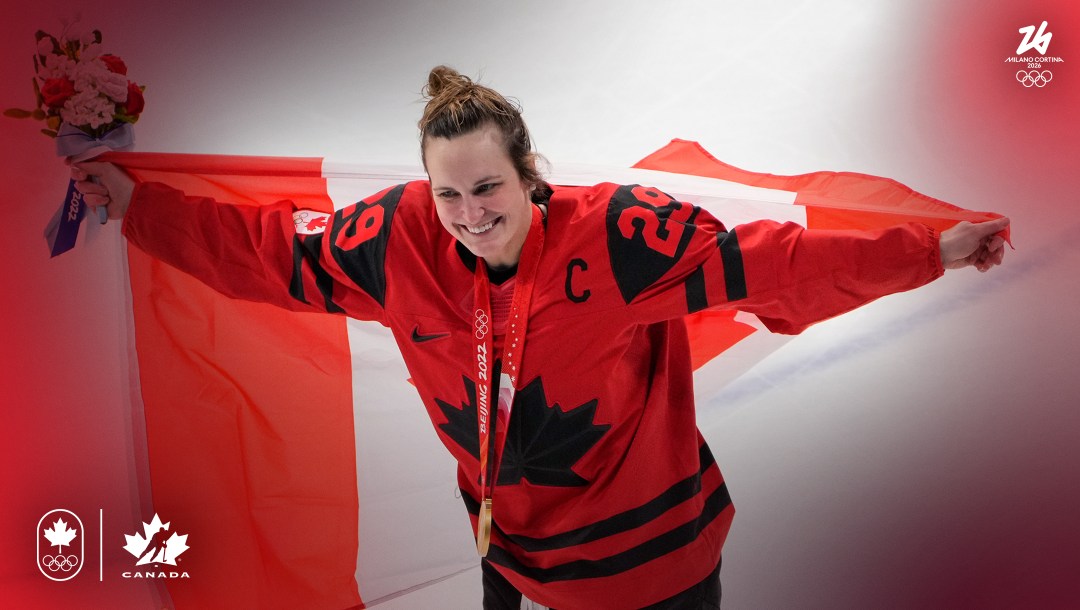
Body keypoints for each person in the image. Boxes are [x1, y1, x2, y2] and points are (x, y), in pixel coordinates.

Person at [73, 65, 1008, 609]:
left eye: (489, 188)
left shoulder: (621, 239)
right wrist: (138, 206)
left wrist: (929, 251)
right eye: (449, 193)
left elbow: (781, 264)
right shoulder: (395, 241)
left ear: (530, 174)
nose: (471, 214)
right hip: (510, 551)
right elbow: (261, 251)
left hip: (654, 568)